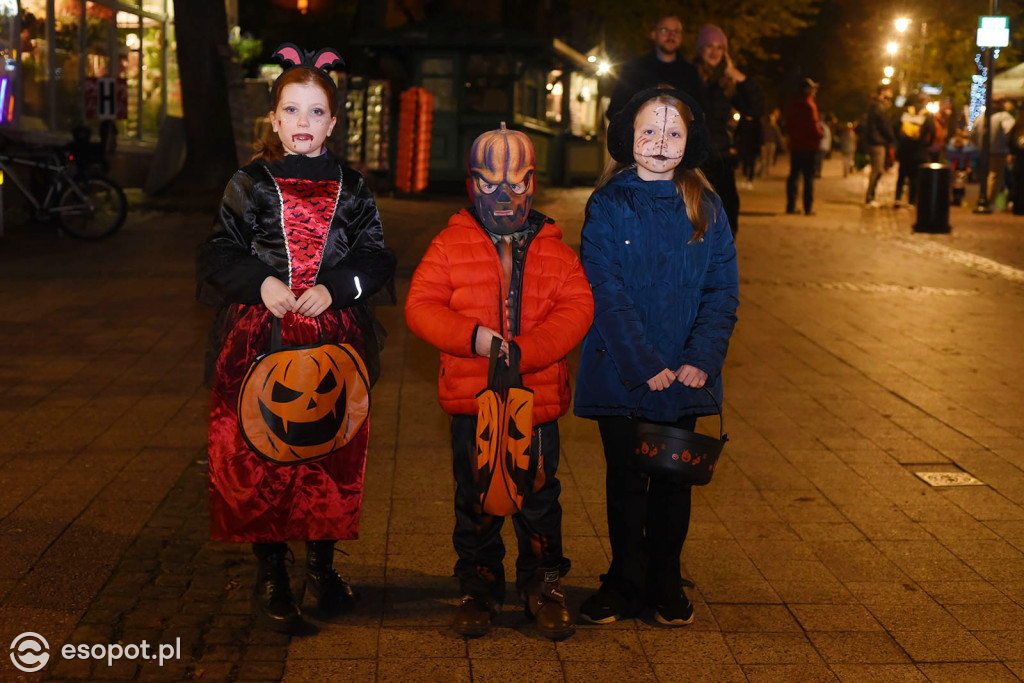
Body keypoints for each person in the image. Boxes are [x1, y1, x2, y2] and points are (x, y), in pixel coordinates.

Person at [196, 44, 396, 633]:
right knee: (263, 453)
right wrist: (259, 283)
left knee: (331, 452)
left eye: (316, 113)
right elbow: (218, 252)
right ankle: (273, 569)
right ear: (275, 119)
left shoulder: (354, 187)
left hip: (332, 339)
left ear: (333, 123)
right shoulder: (249, 184)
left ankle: (324, 565)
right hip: (262, 337)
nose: (303, 124)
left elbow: (376, 258)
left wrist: (338, 287)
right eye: (292, 110)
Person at [405, 123, 594, 640]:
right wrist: (474, 338)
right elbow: (420, 306)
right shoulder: (449, 246)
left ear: (532, 181)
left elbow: (578, 308)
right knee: (476, 496)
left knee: (537, 495)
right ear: (471, 183)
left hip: (535, 403)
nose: (503, 196)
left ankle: (542, 583)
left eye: (515, 183)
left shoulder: (556, 251)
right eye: (489, 184)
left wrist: (528, 351)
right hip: (474, 400)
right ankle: (479, 587)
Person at [574, 87, 739, 627]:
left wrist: (703, 356)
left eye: (674, 134)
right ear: (628, 137)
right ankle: (624, 579)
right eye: (650, 131)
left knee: (672, 482)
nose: (661, 143)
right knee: (625, 480)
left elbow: (722, 291)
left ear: (690, 143)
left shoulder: (707, 208)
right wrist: (644, 362)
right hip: (624, 370)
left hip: (686, 373)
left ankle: (665, 576)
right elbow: (606, 289)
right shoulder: (608, 204)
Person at [693, 23, 763, 236]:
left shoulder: (728, 82)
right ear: (700, 49)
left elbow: (757, 107)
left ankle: (721, 263)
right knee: (694, 217)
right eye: (709, 46)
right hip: (692, 160)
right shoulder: (689, 76)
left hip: (721, 158)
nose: (714, 52)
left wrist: (739, 76)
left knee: (728, 214)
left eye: (719, 47)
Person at [606, 15, 701, 121]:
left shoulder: (690, 73)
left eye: (676, 31)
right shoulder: (634, 70)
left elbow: (700, 113)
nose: (671, 35)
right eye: (664, 30)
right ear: (653, 34)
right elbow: (615, 110)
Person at [785, 78, 824, 215]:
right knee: (808, 178)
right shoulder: (809, 105)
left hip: (796, 145)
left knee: (794, 175)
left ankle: (790, 206)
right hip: (809, 146)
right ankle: (808, 207)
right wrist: (820, 135)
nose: (814, 91)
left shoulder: (793, 104)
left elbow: (788, 124)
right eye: (812, 89)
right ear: (807, 90)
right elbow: (813, 125)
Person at [973, 98, 1016, 206]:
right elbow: (1011, 131)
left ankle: (984, 198)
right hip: (998, 151)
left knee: (985, 175)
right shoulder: (1003, 116)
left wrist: (979, 145)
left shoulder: (981, 117)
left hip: (983, 151)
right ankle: (988, 200)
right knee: (995, 176)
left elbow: (973, 133)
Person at [893, 96, 935, 207]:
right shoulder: (926, 114)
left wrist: (899, 140)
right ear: (924, 102)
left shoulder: (906, 111)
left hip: (904, 148)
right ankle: (911, 201)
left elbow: (895, 125)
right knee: (914, 176)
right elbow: (932, 131)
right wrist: (927, 144)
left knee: (901, 174)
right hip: (919, 150)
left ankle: (897, 198)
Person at [865, 85, 895, 207]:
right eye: (889, 91)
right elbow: (884, 125)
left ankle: (871, 196)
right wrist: (891, 138)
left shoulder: (875, 105)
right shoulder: (879, 106)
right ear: (883, 92)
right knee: (877, 170)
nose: (891, 93)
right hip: (877, 142)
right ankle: (870, 197)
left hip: (875, 141)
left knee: (878, 170)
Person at [759, 108, 783, 177]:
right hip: (765, 143)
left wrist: (780, 144)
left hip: (772, 144)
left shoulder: (775, 127)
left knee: (769, 159)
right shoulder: (765, 126)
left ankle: (768, 172)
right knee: (764, 158)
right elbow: (762, 134)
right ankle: (763, 172)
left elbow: (778, 136)